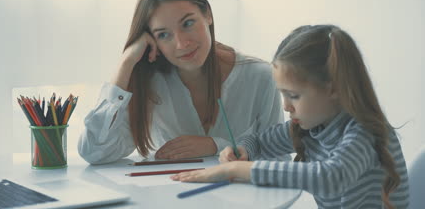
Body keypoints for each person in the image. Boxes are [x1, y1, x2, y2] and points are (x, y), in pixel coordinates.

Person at [171, 25, 409, 208]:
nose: (286, 107)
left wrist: (237, 170)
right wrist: (242, 150)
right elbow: (259, 140)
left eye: (293, 96)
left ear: (334, 88)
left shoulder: (365, 133)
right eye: (283, 94)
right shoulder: (310, 126)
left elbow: (331, 177)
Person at [78, 0, 286, 164]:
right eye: (163, 34)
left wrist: (215, 146)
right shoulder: (150, 81)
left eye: (187, 23)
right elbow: (94, 152)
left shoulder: (261, 77)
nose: (181, 44)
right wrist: (126, 63)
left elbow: (280, 161)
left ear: (207, 14)